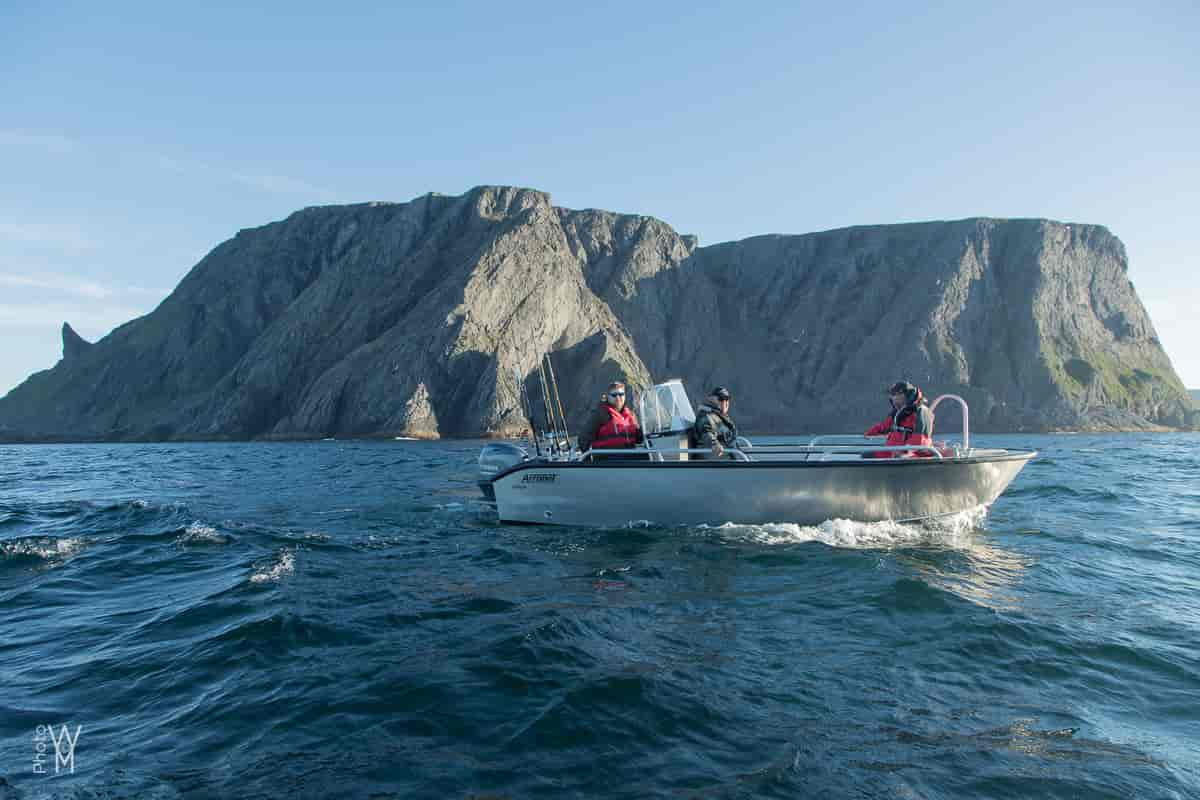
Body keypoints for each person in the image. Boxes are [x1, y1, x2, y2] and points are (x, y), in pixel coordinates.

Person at [864, 381, 934, 458]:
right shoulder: (898, 412)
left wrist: (906, 451)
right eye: (891, 395)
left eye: (894, 394)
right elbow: (885, 426)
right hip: (894, 450)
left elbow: (920, 438)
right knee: (867, 455)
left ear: (904, 395)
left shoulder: (921, 411)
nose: (892, 397)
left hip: (915, 453)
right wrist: (869, 433)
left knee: (900, 457)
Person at [577, 381, 644, 455]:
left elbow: (639, 439)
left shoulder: (631, 415)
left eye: (621, 394)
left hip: (631, 457)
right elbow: (583, 438)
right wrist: (589, 460)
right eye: (614, 395)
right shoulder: (600, 414)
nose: (618, 397)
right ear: (607, 397)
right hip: (608, 460)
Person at [690, 386, 738, 459]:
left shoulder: (720, 415)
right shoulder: (705, 416)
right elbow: (706, 431)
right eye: (721, 399)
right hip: (717, 464)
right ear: (711, 399)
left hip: (731, 459)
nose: (725, 402)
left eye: (727, 399)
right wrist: (714, 444)